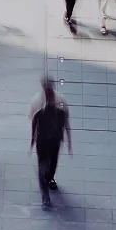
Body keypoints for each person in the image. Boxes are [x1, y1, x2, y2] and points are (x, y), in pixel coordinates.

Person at [30, 79, 72, 208]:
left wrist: (69, 141)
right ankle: (45, 196)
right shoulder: (37, 103)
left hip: (54, 141)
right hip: (43, 142)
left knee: (52, 164)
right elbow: (33, 122)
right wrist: (33, 140)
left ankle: (49, 178)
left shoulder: (60, 103)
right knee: (43, 167)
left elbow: (66, 123)